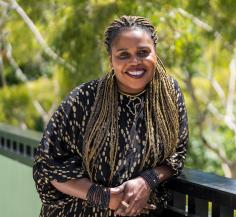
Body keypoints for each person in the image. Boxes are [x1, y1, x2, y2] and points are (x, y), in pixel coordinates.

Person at [33, 15, 189, 217]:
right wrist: (105, 197)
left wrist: (147, 180)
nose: (135, 62)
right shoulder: (84, 99)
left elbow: (176, 156)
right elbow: (50, 165)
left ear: (155, 54)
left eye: (143, 52)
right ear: (111, 60)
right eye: (123, 55)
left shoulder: (169, 94)